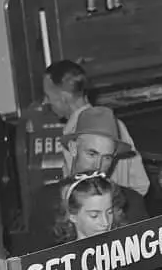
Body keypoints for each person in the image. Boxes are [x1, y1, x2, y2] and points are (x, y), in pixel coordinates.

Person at [26, 106, 149, 252]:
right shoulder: (46, 201)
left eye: (107, 158)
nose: (98, 166)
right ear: (73, 148)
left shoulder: (131, 203)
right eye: (91, 154)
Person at [43, 59, 150, 197]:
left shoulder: (75, 134)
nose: (45, 101)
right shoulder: (116, 123)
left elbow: (76, 194)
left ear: (63, 98)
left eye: (48, 96)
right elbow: (141, 185)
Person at [54, 172, 123, 243]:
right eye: (94, 215)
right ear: (72, 216)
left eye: (110, 212)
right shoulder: (60, 253)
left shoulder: (124, 247)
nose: (106, 223)